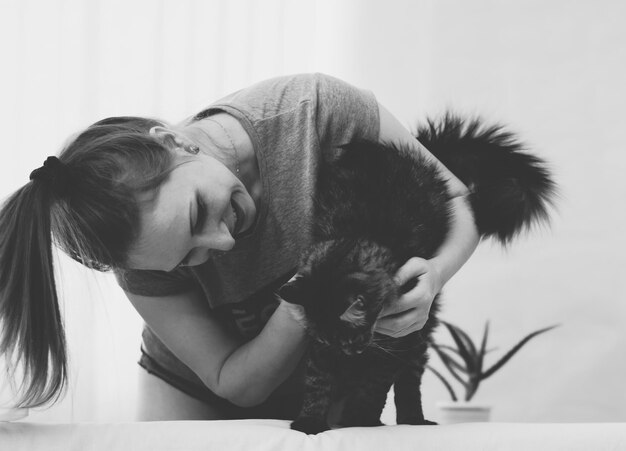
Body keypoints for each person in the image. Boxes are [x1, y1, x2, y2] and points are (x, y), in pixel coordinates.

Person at [0, 73, 479, 420]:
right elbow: (236, 384)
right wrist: (305, 295)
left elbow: (455, 196)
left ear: (174, 143)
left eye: (196, 213)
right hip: (192, 392)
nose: (223, 241)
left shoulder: (313, 112)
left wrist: (435, 274)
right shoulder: (139, 264)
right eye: (188, 257)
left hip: (322, 372)